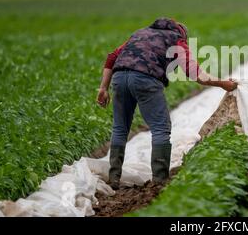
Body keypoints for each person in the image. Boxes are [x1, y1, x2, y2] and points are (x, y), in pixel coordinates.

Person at [96, 17, 237, 189]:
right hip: (145, 79)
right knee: (161, 128)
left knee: (120, 128)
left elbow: (112, 57)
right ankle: (159, 181)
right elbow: (196, 74)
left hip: (118, 77)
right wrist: (223, 83)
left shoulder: (140, 33)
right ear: (182, 34)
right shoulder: (176, 40)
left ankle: (114, 178)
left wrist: (103, 88)